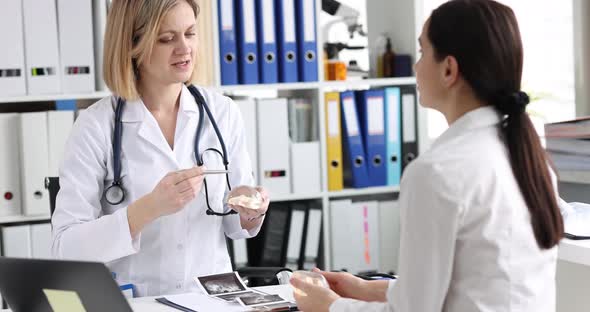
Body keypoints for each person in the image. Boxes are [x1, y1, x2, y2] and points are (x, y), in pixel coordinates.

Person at [291, 0, 564, 311]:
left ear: (448, 69)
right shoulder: (529, 157)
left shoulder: (438, 172)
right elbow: (478, 280)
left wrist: (328, 306)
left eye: (422, 53)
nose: (416, 65)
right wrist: (368, 289)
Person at [51, 0, 269, 297]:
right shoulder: (96, 126)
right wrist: (148, 208)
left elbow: (234, 225)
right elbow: (66, 248)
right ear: (132, 45)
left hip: (211, 298)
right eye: (167, 38)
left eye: (190, 34)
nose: (184, 48)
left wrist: (250, 211)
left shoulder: (222, 112)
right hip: (138, 300)